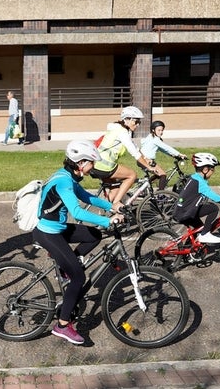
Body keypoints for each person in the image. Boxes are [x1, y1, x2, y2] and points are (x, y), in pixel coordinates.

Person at [32, 139, 125, 345]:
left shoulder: (68, 176)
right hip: (49, 234)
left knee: (94, 235)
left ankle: (67, 267)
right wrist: (107, 220)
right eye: (92, 162)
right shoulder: (64, 181)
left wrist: (112, 206)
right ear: (81, 163)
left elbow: (87, 198)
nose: (94, 167)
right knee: (79, 278)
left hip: (59, 229)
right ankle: (63, 326)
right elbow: (76, 211)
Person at [91, 106, 162, 206]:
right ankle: (117, 205)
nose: (137, 125)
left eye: (139, 122)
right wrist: (149, 167)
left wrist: (145, 158)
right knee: (132, 175)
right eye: (136, 121)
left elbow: (135, 147)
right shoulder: (122, 132)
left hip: (97, 164)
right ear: (127, 119)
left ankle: (104, 213)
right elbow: (134, 153)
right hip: (105, 166)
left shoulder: (119, 129)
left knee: (115, 190)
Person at [173, 152, 220, 244]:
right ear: (205, 169)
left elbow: (208, 194)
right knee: (213, 208)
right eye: (212, 169)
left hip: (182, 210)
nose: (213, 172)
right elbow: (212, 196)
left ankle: (188, 252)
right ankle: (205, 235)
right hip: (186, 212)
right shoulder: (200, 182)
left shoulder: (194, 178)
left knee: (199, 228)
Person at [139, 120, 187, 190]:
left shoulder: (150, 138)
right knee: (163, 175)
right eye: (159, 130)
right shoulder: (155, 139)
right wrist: (179, 154)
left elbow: (163, 150)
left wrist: (173, 155)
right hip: (146, 160)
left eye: (162, 130)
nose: (161, 132)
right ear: (153, 130)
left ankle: (145, 184)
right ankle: (160, 194)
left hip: (142, 159)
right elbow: (166, 147)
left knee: (158, 174)